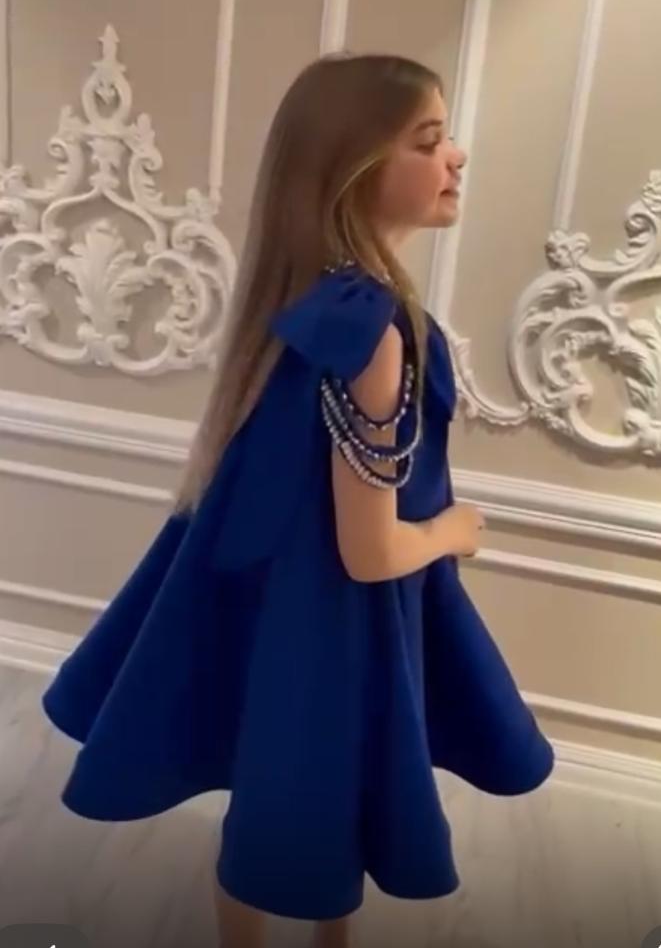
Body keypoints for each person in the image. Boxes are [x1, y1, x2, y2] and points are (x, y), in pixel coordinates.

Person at [41, 54, 555, 948]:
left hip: (277, 597)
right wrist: (449, 530)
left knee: (279, 782)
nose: (456, 156)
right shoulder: (372, 333)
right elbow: (369, 550)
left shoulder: (309, 306)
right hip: (336, 614)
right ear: (354, 170)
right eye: (427, 141)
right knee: (324, 788)